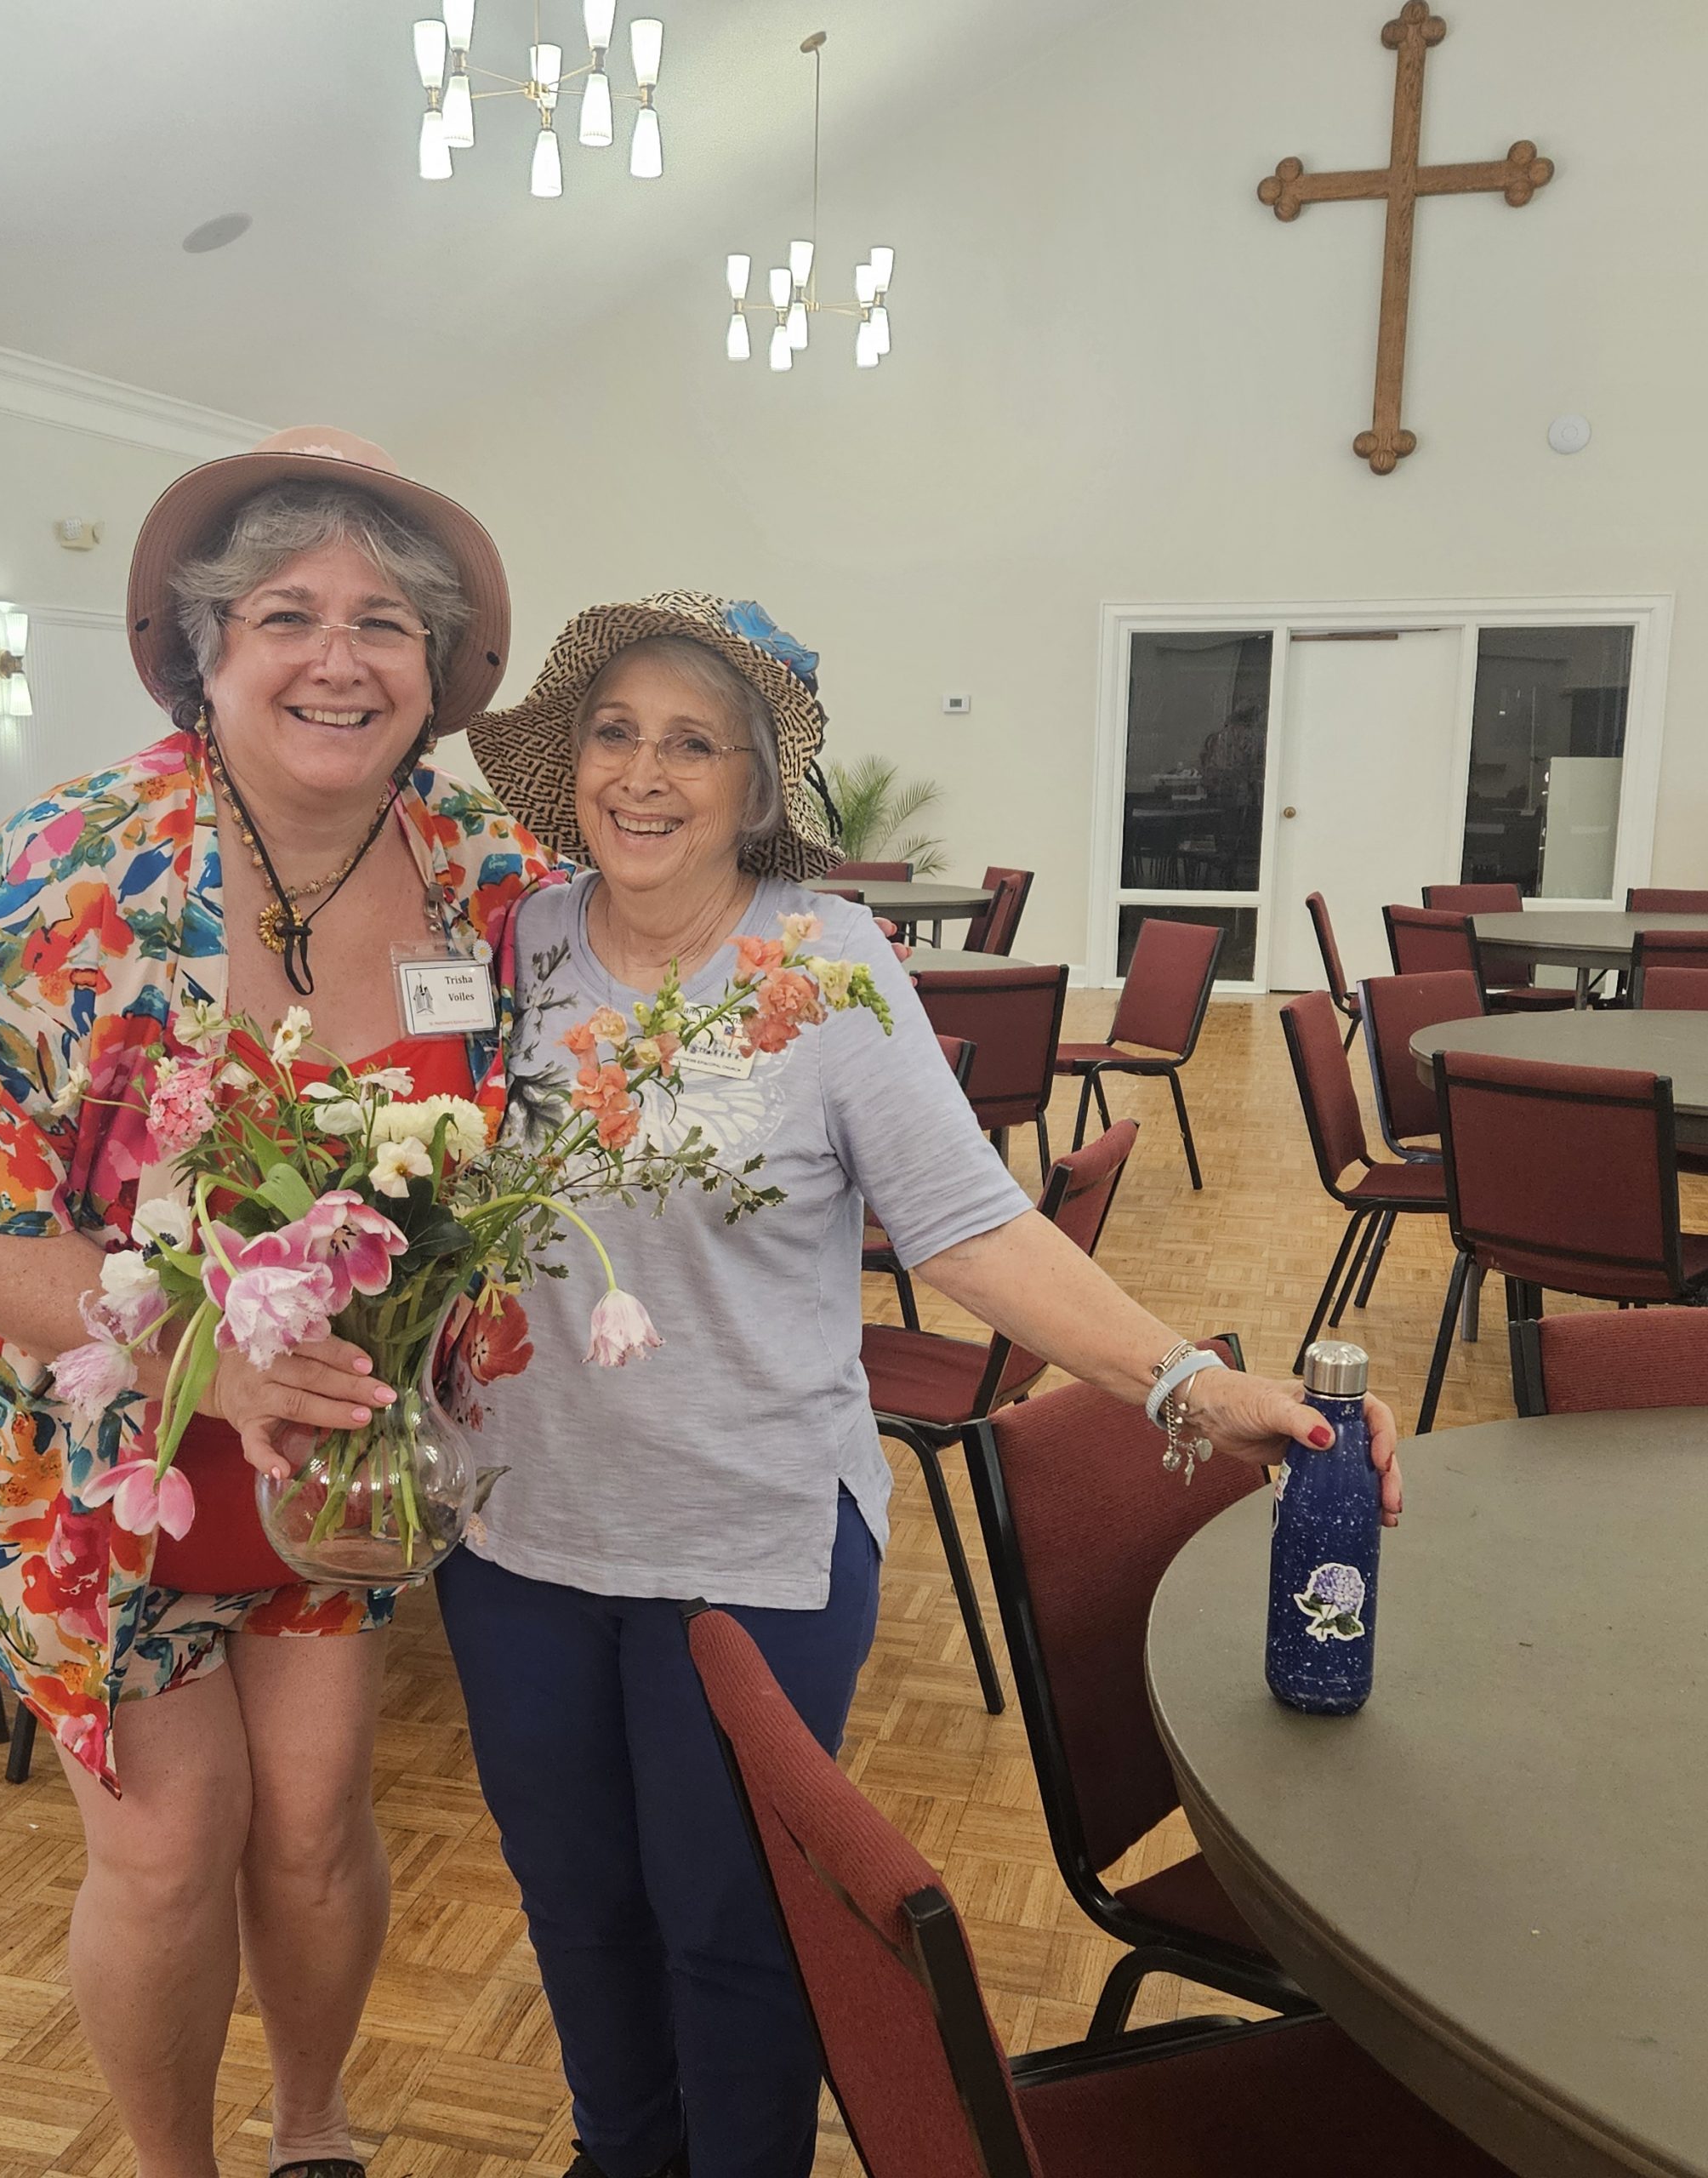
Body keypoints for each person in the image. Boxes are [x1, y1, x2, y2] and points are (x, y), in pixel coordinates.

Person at [453, 593, 1403, 2178]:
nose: (644, 774)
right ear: (571, 760)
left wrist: (1182, 1381)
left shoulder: (825, 961)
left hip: (750, 1540)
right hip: (519, 1539)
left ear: (756, 785)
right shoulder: (517, 945)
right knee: (577, 1908)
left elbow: (970, 1224)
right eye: (614, 733)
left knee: (733, 1930)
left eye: (693, 743)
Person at [0, 428, 558, 2178]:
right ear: (205, 647)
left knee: (312, 1820)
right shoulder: (66, 872)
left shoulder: (479, 862)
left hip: (333, 1435)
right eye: (287, 615)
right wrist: (198, 1353)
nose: (339, 659)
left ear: (435, 665)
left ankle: (313, 2132)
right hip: (88, 1433)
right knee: (175, 1840)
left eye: (384, 622)